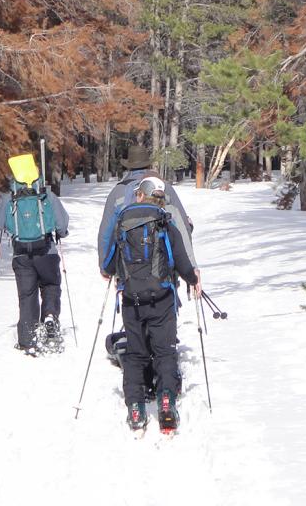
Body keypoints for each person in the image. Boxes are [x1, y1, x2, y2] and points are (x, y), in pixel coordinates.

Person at [99, 174, 200, 433]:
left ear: (138, 194)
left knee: (135, 353)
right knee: (165, 351)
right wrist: (192, 279)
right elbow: (180, 260)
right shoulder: (165, 222)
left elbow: (109, 262)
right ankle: (166, 400)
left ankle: (135, 407)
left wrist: (110, 272)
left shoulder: (122, 220)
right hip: (162, 298)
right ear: (161, 198)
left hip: (132, 299)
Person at [0, 154, 70, 356]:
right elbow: (62, 224)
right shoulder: (47, 196)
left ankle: (27, 339)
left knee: (27, 295)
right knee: (51, 285)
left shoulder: (11, 198)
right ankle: (50, 317)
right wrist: (60, 233)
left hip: (21, 255)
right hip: (47, 251)